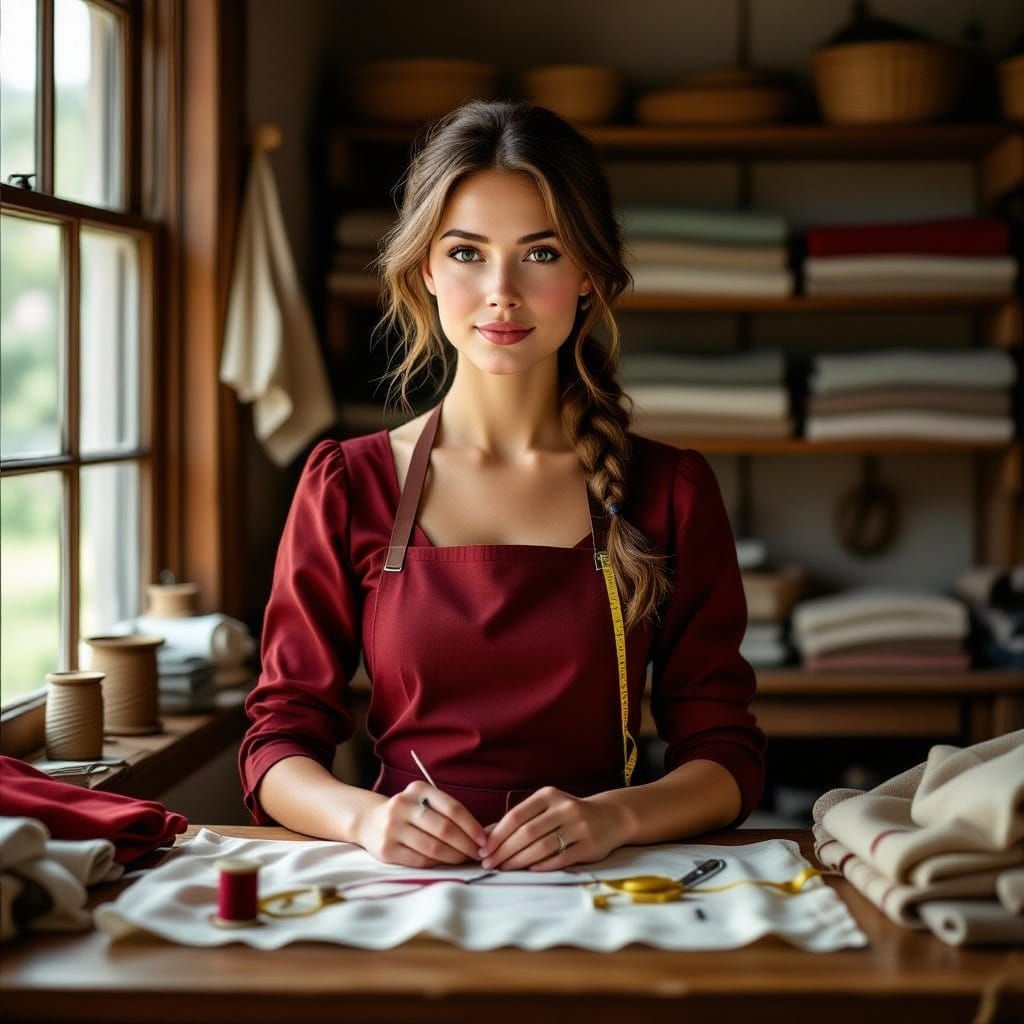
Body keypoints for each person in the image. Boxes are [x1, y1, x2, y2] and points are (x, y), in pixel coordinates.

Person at [239, 100, 766, 872]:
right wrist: (367, 820)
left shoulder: (670, 490)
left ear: (588, 272)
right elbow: (277, 743)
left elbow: (727, 757)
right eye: (466, 253)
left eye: (542, 254)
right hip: (401, 895)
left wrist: (614, 818)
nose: (501, 291)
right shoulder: (348, 483)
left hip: (604, 890)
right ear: (424, 265)